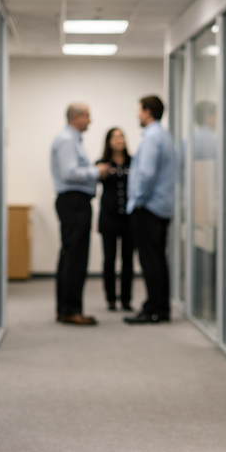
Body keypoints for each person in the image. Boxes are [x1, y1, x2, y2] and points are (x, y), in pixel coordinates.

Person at [51, 102, 108, 325]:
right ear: (76, 117)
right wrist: (98, 172)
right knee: (75, 257)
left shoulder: (72, 139)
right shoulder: (67, 140)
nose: (90, 120)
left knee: (70, 255)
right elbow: (69, 173)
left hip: (73, 201)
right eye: (87, 116)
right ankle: (71, 309)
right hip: (73, 201)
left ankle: (66, 308)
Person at [124, 95, 176, 324]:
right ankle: (159, 307)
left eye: (139, 110)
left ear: (147, 112)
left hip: (149, 207)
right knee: (157, 259)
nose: (137, 114)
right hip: (160, 206)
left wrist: (136, 200)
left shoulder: (152, 138)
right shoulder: (162, 136)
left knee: (150, 260)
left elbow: (146, 174)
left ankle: (154, 308)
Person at [96, 127, 133, 312]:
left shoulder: (133, 162)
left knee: (128, 260)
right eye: (115, 137)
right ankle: (111, 298)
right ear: (109, 141)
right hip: (108, 217)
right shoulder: (101, 164)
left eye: (121, 137)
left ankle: (126, 299)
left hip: (128, 218)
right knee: (109, 259)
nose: (119, 140)